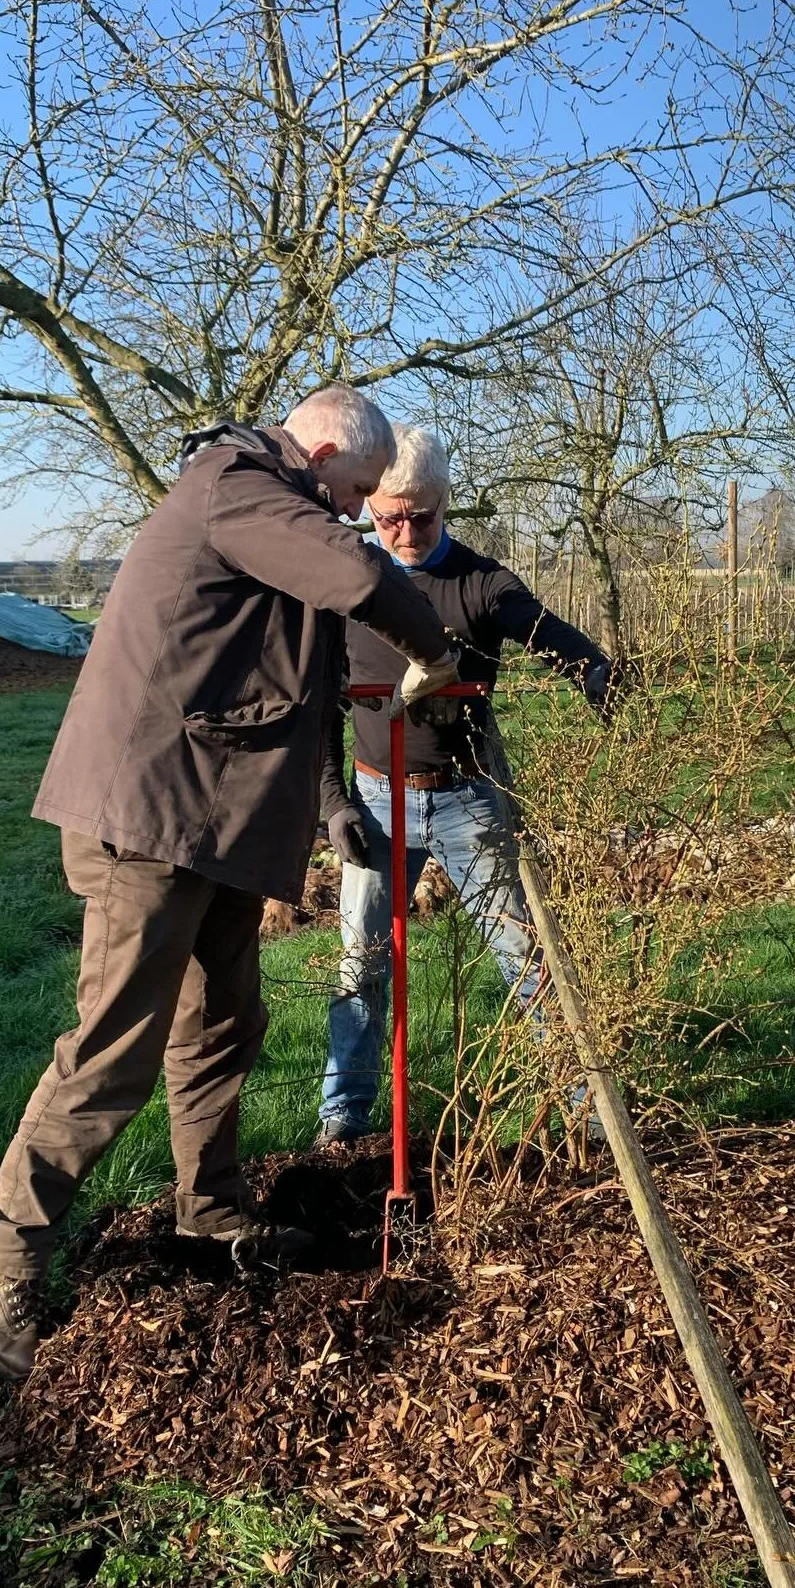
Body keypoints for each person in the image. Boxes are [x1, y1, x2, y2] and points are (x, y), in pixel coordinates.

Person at [0, 387, 459, 1379]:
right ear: (318, 452)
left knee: (224, 1025)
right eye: (356, 488)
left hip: (213, 824)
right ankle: (2, 1258)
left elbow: (298, 670)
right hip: (148, 821)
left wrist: (327, 806)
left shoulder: (273, 507)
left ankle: (211, 1212)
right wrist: (433, 649)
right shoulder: (237, 484)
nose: (361, 510)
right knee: (114, 1054)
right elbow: (354, 574)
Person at [315, 425, 612, 1145]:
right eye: (389, 516)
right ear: (371, 506)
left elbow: (548, 632)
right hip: (376, 797)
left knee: (524, 958)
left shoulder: (482, 583)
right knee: (362, 965)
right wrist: (332, 805)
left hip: (468, 798)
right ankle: (344, 1122)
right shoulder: (343, 584)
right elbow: (317, 705)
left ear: (445, 504)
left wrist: (593, 667)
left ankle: (585, 1115)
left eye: (423, 514)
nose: (407, 530)